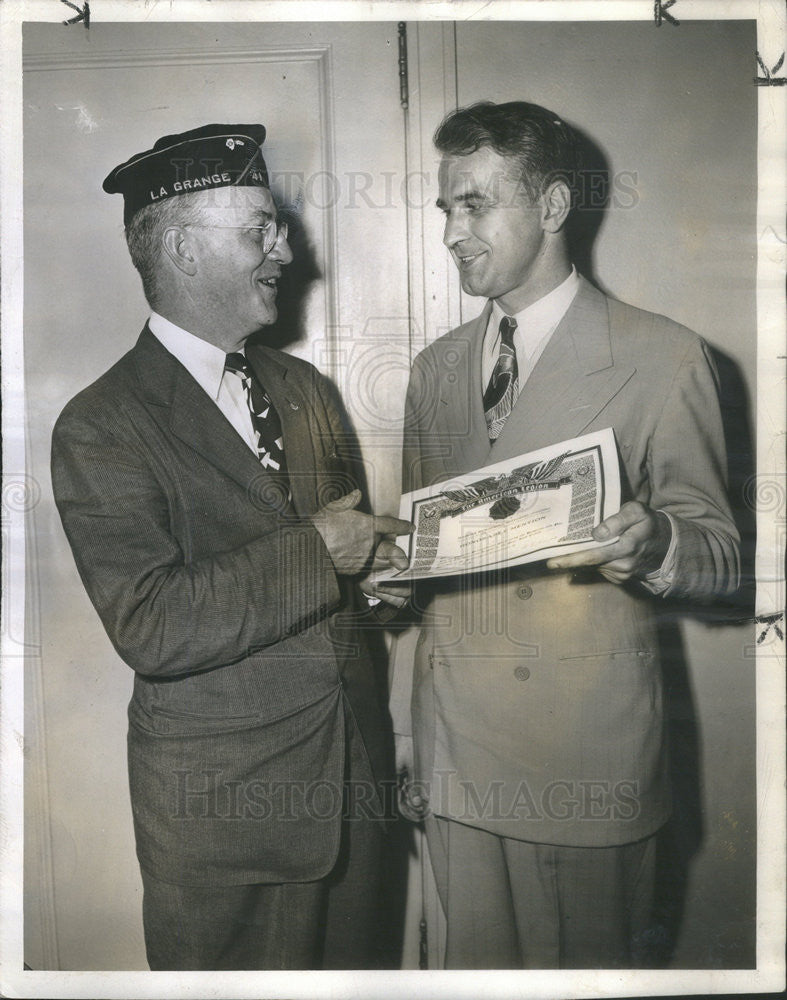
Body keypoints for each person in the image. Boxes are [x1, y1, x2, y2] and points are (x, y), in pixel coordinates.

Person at [51, 123, 411, 971]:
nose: (285, 249)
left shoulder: (304, 390)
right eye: (259, 230)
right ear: (181, 248)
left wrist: (376, 582)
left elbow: (332, 580)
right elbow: (154, 624)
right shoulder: (101, 425)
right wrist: (325, 553)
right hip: (229, 828)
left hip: (355, 800)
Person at [393, 101, 740, 969]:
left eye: (474, 204)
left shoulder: (663, 354)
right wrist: (407, 736)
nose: (452, 233)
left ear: (550, 207)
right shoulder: (433, 370)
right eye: (446, 209)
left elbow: (722, 552)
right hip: (457, 762)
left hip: (583, 765)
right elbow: (423, 567)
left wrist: (655, 542)